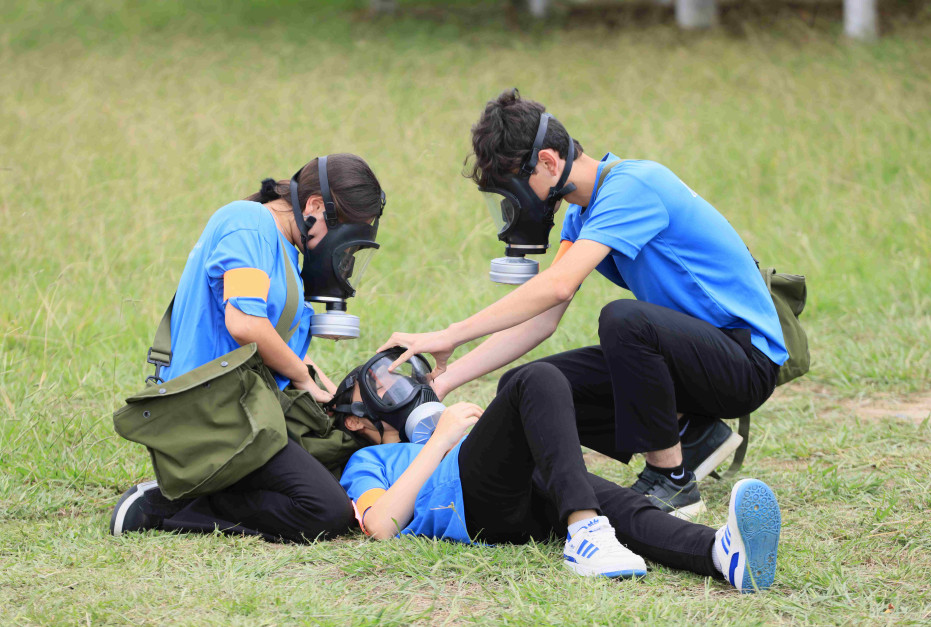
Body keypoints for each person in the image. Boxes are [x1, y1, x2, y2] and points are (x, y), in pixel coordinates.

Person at [379, 89, 788, 517]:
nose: (513, 206)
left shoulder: (633, 186)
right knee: (526, 387)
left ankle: (673, 480)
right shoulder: (581, 213)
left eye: (514, 189)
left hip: (746, 362)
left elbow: (557, 285)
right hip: (694, 360)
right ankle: (691, 433)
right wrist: (444, 381)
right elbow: (542, 319)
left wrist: (450, 334)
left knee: (625, 321)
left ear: (549, 162)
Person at [110, 154, 386, 543]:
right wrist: (302, 378)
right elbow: (244, 323)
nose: (344, 255)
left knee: (340, 456)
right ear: (314, 206)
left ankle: (216, 486)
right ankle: (167, 506)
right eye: (345, 239)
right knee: (326, 511)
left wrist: (325, 390)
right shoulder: (249, 225)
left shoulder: (284, 245)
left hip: (247, 403)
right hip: (209, 409)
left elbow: (274, 340)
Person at [335, 355, 782, 591]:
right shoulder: (368, 462)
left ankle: (720, 554)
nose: (397, 386)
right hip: (469, 505)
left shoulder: (446, 434)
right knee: (534, 378)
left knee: (616, 505)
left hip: (524, 498)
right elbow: (379, 526)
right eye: (379, 386)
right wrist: (438, 442)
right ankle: (585, 533)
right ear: (355, 419)